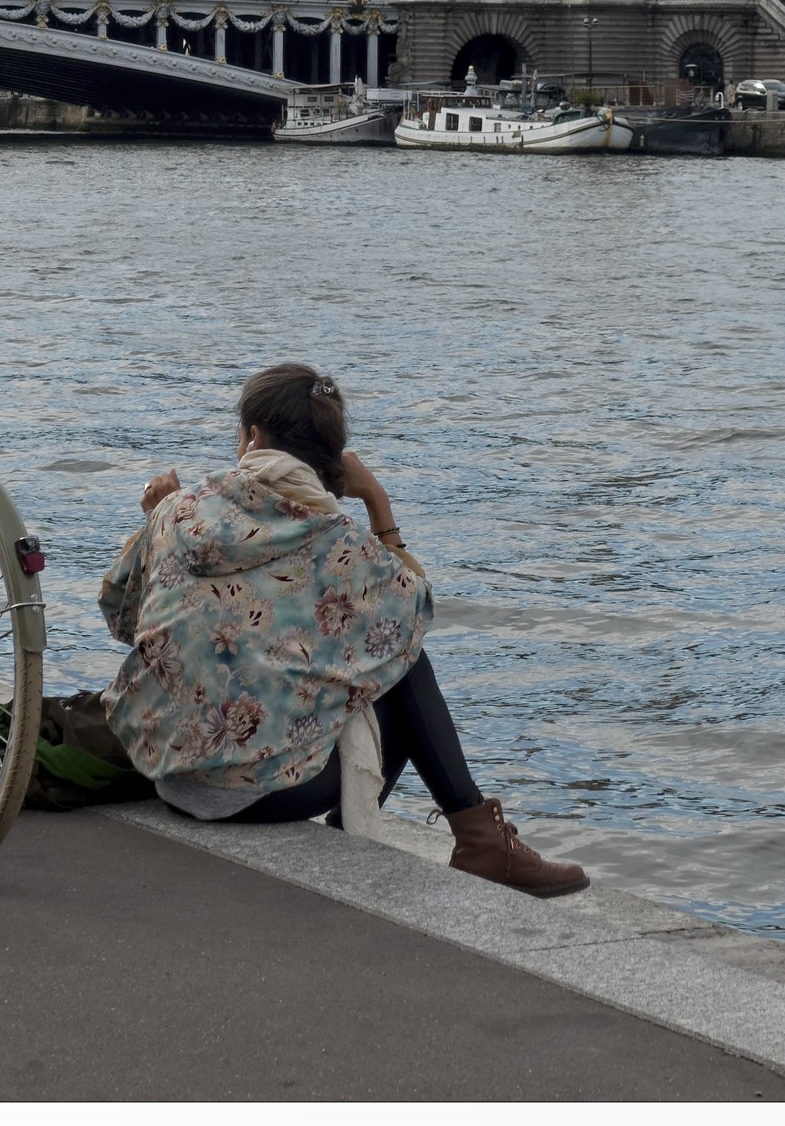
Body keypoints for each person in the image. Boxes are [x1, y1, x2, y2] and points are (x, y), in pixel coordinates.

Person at [100, 363, 588, 898]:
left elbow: (121, 618)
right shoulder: (337, 538)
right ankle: (478, 839)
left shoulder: (180, 511)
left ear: (254, 438)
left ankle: (478, 841)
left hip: (168, 773)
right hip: (262, 799)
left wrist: (154, 520)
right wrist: (377, 500)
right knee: (399, 654)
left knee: (353, 647)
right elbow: (416, 612)